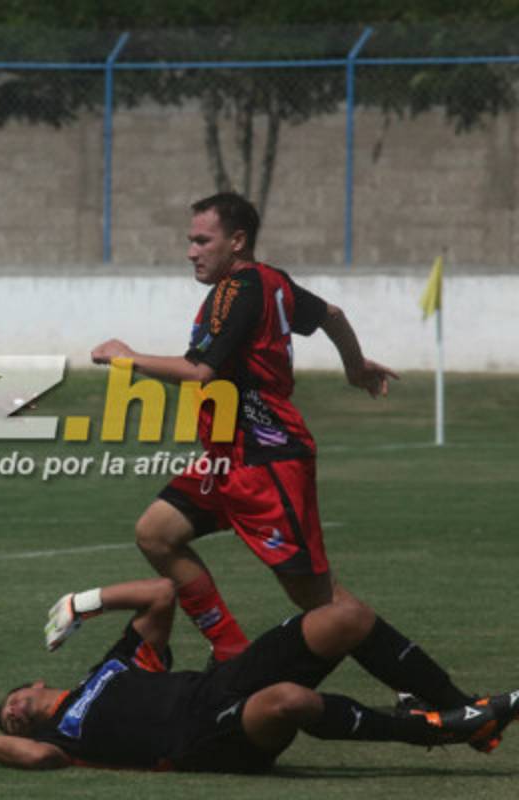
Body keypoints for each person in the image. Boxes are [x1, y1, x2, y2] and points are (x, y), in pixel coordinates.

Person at [87, 192, 488, 742]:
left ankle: (451, 704)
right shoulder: (271, 282)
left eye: (202, 240)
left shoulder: (239, 289)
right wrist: (354, 366)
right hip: (229, 457)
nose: (191, 252)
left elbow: (201, 373)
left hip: (266, 463)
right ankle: (229, 648)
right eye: (190, 240)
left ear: (237, 242)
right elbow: (332, 316)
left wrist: (125, 358)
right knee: (157, 533)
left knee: (323, 606)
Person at [0, 578, 518, 772]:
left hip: (218, 684)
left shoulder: (113, 668)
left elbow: (159, 595)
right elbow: (36, 761)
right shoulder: (56, 741)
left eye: (12, 701)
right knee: (288, 700)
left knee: (345, 616)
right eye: (9, 719)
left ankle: (471, 716)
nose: (13, 710)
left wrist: (83, 603)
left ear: (35, 683)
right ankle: (433, 730)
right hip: (201, 740)